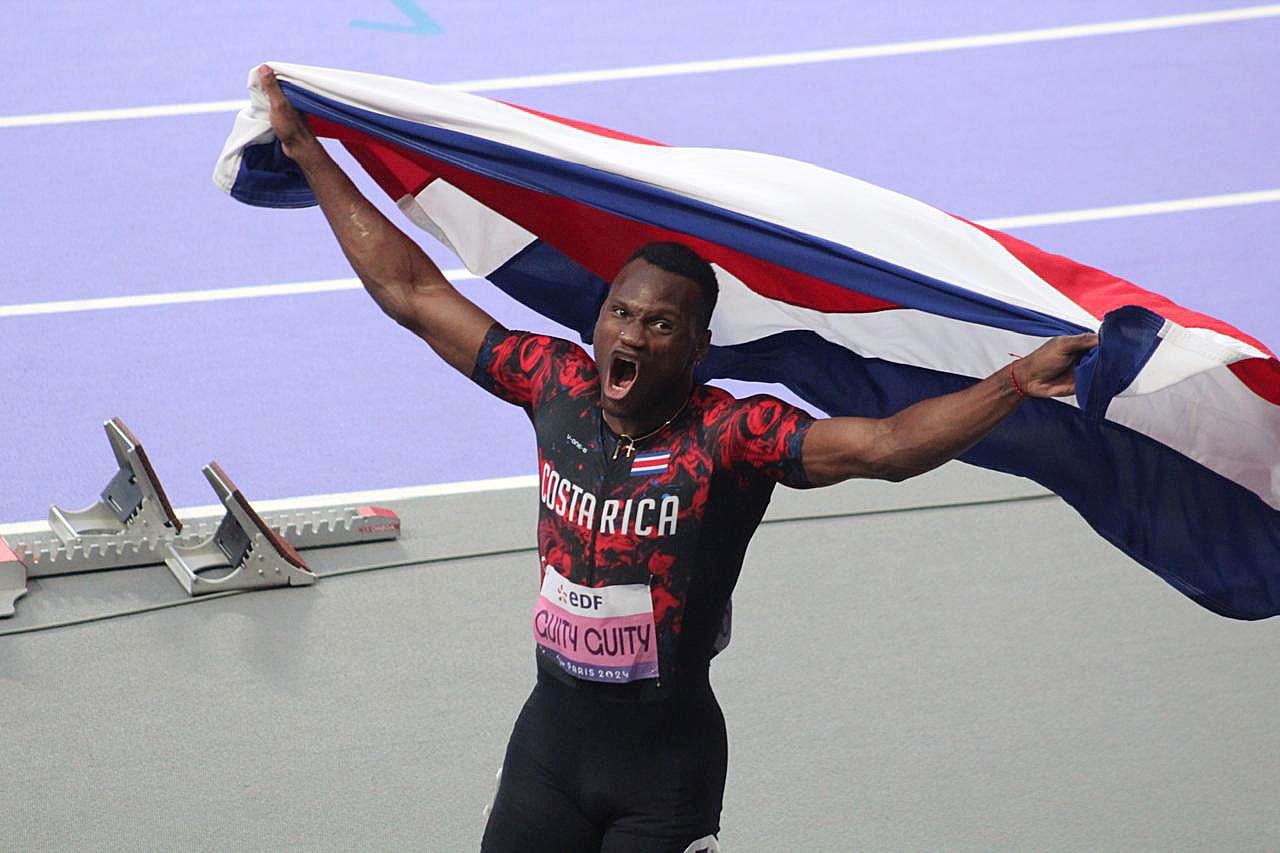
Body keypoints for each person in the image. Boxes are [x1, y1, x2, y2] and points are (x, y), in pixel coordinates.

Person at [256, 65, 1097, 853]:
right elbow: (413, 293)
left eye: (659, 325)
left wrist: (1017, 380)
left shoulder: (733, 436)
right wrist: (308, 153)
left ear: (698, 347)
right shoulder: (556, 385)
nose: (630, 333)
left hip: (664, 776)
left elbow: (882, 449)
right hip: (549, 751)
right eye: (620, 313)